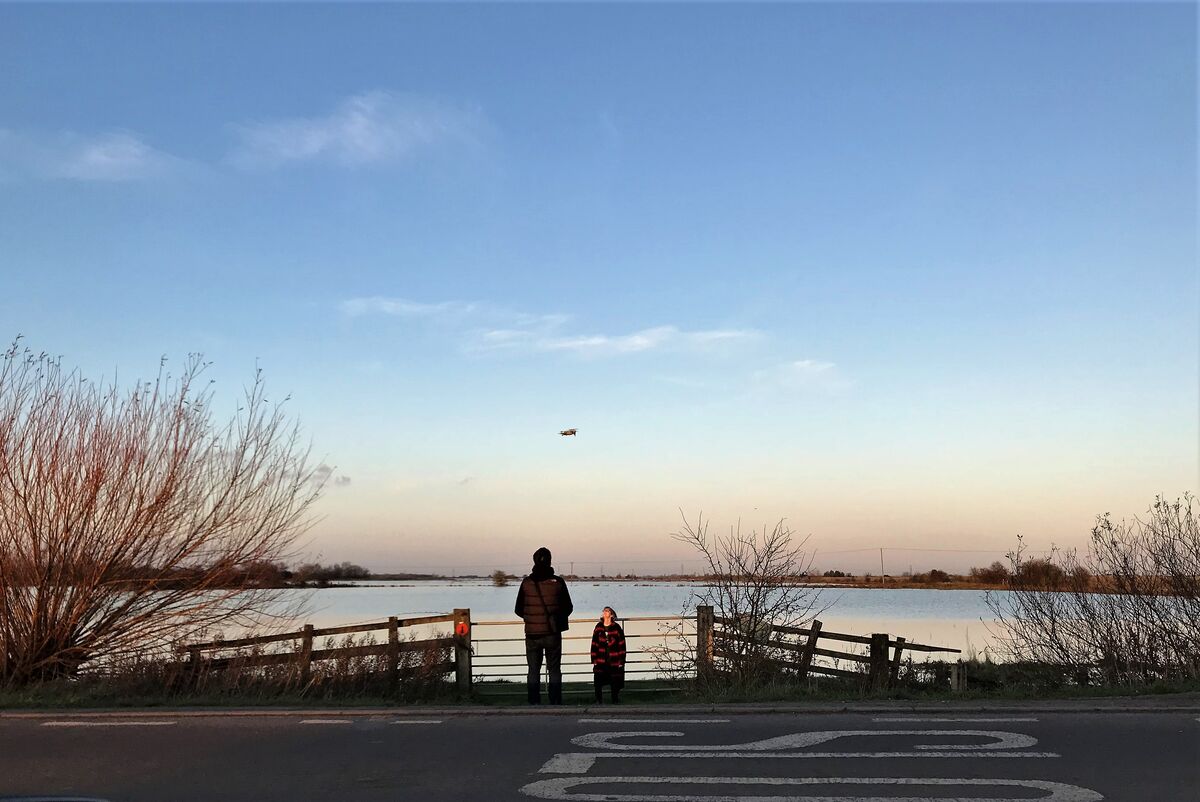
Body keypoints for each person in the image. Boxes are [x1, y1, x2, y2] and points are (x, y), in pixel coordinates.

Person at [514, 547, 573, 704]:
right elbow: (568, 607)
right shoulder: (558, 582)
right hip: (552, 633)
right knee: (554, 669)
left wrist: (531, 619)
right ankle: (555, 701)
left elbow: (518, 609)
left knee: (533, 669)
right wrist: (555, 618)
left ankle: (533, 701)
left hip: (532, 634)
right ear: (550, 561)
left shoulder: (526, 583)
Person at [590, 606, 626, 704]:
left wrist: (621, 660)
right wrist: (594, 659)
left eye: (607, 611)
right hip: (601, 658)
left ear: (611, 614)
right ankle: (598, 700)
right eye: (604, 611)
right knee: (598, 679)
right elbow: (594, 643)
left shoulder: (617, 627)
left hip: (614, 658)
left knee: (615, 680)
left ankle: (615, 700)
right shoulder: (598, 627)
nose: (605, 612)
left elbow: (622, 644)